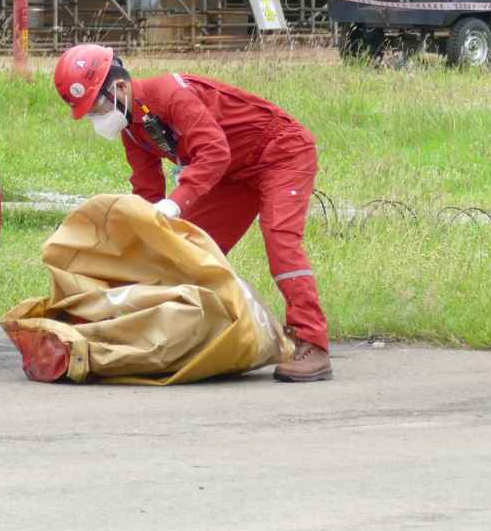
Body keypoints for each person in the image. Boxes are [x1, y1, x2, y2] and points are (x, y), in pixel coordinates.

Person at [53, 44, 333, 381]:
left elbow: (213, 153)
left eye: (97, 105)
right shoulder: (132, 127)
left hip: (281, 152)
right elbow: (146, 192)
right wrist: (133, 239)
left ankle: (312, 342)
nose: (96, 116)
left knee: (280, 241)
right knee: (184, 249)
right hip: (231, 173)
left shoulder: (171, 95)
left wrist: (176, 203)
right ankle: (207, 334)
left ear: (121, 87)